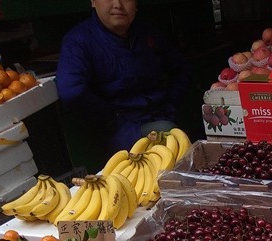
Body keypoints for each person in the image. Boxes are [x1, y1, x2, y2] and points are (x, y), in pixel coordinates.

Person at [56, 0, 193, 154]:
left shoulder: (147, 33)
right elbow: (71, 91)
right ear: (93, 2)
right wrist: (112, 119)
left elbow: (182, 69)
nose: (118, 4)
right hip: (120, 131)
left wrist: (171, 106)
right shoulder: (79, 41)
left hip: (161, 115)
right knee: (167, 131)